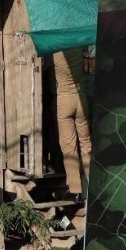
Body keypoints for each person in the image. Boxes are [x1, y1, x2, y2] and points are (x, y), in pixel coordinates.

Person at [53, 47, 92, 204]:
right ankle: (90, 185)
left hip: (64, 99)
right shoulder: (78, 45)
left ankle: (75, 190)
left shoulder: (55, 51)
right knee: (86, 144)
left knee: (69, 147)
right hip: (81, 98)